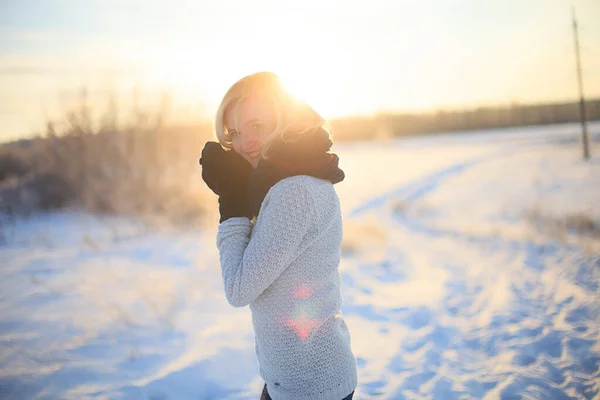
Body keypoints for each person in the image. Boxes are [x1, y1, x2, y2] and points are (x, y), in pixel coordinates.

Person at [199, 71, 357, 400]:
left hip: (311, 388)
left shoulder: (293, 192)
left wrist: (231, 201)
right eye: (236, 133)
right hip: (298, 381)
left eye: (258, 126)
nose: (245, 144)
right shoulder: (289, 181)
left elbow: (238, 288)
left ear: (285, 120)